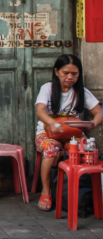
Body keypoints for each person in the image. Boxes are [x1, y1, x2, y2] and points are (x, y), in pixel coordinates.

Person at [33, 54, 103, 211]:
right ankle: (46, 192)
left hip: (73, 134)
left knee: (87, 151)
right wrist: (51, 122)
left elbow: (99, 112)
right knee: (51, 150)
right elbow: (40, 110)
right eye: (66, 73)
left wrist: (92, 124)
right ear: (57, 72)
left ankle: (84, 196)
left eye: (75, 73)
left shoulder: (82, 92)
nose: (70, 77)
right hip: (48, 134)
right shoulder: (48, 88)